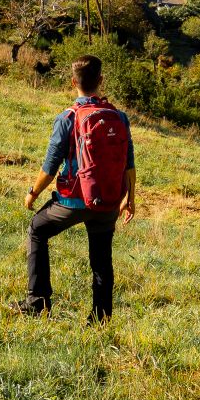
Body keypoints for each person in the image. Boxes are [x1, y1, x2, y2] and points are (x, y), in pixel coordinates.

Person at [22, 55, 135, 319]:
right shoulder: (119, 117)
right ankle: (101, 317)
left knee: (37, 230)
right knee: (102, 258)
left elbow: (50, 167)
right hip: (108, 201)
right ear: (101, 80)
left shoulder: (68, 118)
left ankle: (37, 302)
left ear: (73, 82)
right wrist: (130, 198)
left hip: (73, 201)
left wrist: (33, 193)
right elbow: (129, 163)